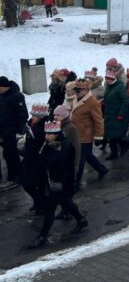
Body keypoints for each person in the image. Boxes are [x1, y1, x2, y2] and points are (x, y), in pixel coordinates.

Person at [27, 106, 88, 249]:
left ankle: (42, 237)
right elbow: (42, 161)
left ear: (56, 134)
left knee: (50, 209)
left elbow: (64, 164)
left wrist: (70, 182)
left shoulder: (64, 146)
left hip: (60, 182)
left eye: (50, 134)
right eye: (46, 134)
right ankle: (81, 220)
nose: (47, 136)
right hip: (51, 181)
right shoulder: (49, 144)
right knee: (66, 202)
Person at [70, 79, 108, 187]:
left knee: (80, 160)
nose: (77, 92)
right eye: (76, 90)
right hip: (76, 134)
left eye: (79, 90)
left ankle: (76, 182)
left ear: (86, 90)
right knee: (88, 156)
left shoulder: (92, 102)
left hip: (85, 136)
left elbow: (98, 120)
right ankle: (102, 169)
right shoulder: (76, 98)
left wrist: (99, 136)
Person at [0, 76, 28, 190]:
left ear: (5, 86)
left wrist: (19, 131)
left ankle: (14, 178)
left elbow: (23, 115)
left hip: (12, 131)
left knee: (10, 154)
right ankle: (17, 175)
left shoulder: (17, 96)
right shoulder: (2, 95)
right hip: (3, 131)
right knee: (8, 154)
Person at [21, 104, 48, 214]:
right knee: (28, 183)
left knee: (32, 184)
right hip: (29, 158)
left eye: (35, 116)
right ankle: (38, 203)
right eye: (32, 115)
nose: (32, 118)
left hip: (38, 160)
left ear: (41, 117)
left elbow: (43, 144)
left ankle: (40, 205)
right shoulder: (32, 124)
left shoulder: (44, 128)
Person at [103, 70, 129, 160]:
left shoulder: (120, 87)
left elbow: (125, 101)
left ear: (113, 78)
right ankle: (114, 153)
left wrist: (121, 114)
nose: (107, 80)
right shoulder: (109, 86)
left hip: (117, 116)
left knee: (116, 136)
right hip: (109, 115)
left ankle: (124, 147)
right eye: (106, 78)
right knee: (111, 136)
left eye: (109, 78)